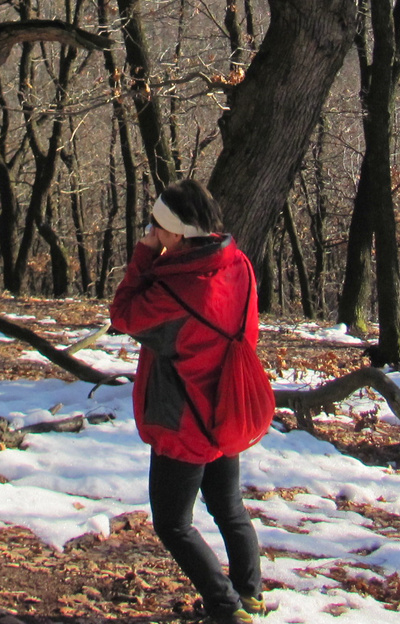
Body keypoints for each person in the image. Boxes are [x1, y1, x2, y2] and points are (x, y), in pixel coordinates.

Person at [109, 178, 265, 624]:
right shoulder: (239, 266)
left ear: (178, 233)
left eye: (158, 226)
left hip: (185, 417)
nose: (153, 232)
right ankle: (250, 596)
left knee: (172, 523)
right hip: (227, 405)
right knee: (229, 507)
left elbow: (123, 315)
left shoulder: (176, 290)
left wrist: (142, 255)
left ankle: (226, 607)